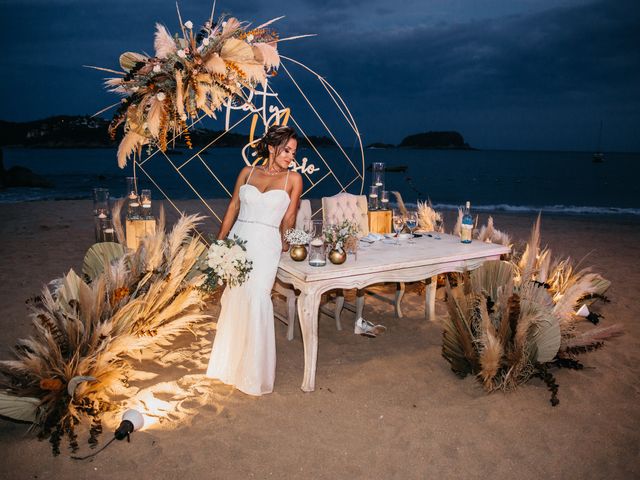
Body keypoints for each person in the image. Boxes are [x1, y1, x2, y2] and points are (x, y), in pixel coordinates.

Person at [206, 125, 302, 395]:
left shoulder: (293, 179)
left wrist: (289, 244)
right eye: (286, 150)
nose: (290, 156)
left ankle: (254, 373)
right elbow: (233, 206)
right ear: (271, 148)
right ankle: (228, 365)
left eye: (293, 152)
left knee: (257, 299)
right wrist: (220, 241)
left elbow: (289, 218)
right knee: (235, 298)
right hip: (239, 240)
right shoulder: (247, 173)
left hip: (266, 246)